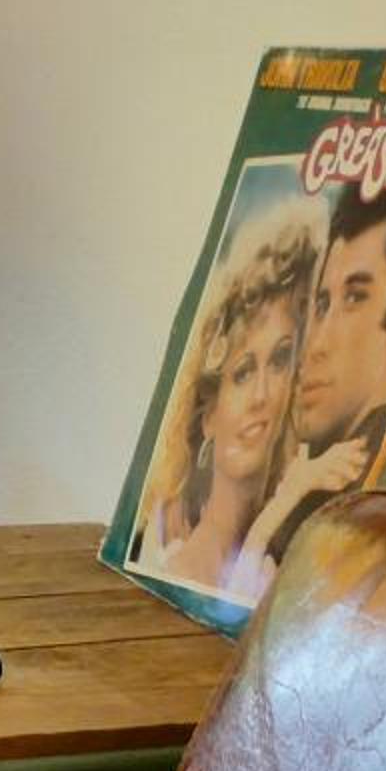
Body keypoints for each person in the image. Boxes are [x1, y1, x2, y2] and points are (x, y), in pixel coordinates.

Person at [250, 147, 386, 569]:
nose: (316, 344)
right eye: (322, 304)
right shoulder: (316, 481)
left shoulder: (365, 489)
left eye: (356, 297)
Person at [131, 217, 318, 596]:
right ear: (209, 415)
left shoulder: (283, 562)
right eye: (243, 373)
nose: (261, 395)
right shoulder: (178, 564)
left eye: (279, 360)